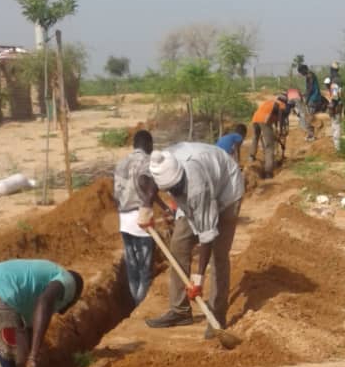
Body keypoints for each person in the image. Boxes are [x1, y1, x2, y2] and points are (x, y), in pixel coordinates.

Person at [141, 142, 244, 335]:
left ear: (180, 176)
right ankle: (180, 311)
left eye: (176, 188)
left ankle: (216, 317)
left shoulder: (197, 187)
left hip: (227, 191)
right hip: (200, 187)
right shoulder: (160, 163)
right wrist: (146, 206)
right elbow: (144, 181)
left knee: (219, 256)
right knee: (178, 244)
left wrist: (198, 279)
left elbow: (207, 236)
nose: (175, 192)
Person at [113, 129, 158, 305]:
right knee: (145, 269)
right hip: (142, 221)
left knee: (132, 267)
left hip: (124, 220)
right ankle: (140, 305)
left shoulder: (121, 163)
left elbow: (116, 194)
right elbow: (149, 190)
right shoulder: (147, 163)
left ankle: (134, 302)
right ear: (148, 144)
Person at [249, 97, 281, 178]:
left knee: (255, 138)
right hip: (264, 120)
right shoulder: (279, 106)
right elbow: (276, 119)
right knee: (269, 146)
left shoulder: (268, 102)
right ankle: (268, 172)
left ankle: (251, 157)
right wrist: (276, 130)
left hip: (255, 119)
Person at [297, 64, 321, 142]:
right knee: (309, 116)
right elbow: (309, 89)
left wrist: (306, 99)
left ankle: (311, 136)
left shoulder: (310, 76)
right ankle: (311, 134)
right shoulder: (310, 75)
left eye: (301, 72)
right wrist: (305, 94)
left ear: (304, 70)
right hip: (313, 97)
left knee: (309, 117)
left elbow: (310, 89)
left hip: (313, 98)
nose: (301, 74)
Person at [326, 64, 344, 151]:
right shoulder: (341, 80)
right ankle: (337, 147)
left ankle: (337, 148)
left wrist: (331, 105)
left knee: (335, 126)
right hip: (340, 105)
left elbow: (335, 96)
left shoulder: (334, 82)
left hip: (336, 106)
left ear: (332, 70)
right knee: (337, 125)